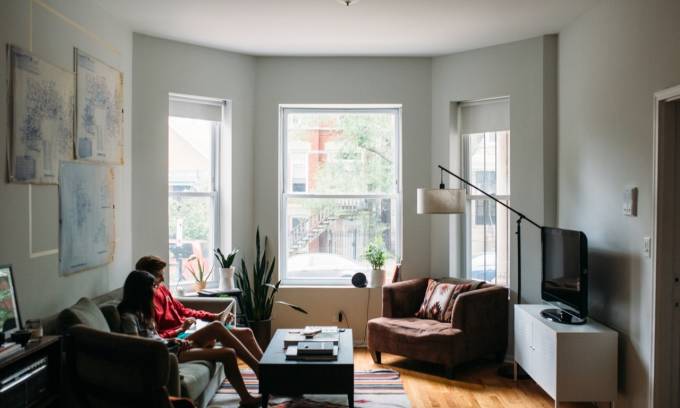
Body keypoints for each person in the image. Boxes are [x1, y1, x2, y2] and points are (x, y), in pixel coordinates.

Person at [118, 270, 261, 406]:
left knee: (217, 326)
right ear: (141, 291)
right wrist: (172, 341)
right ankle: (246, 397)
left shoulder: (143, 313)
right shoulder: (129, 317)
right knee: (229, 353)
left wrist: (174, 340)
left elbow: (156, 337)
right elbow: (137, 346)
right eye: (153, 286)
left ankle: (260, 369)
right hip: (170, 352)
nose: (156, 290)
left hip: (173, 345)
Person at [135, 256, 263, 376]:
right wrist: (180, 329)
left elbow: (183, 310)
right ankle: (263, 373)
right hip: (178, 336)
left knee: (247, 332)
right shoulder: (146, 301)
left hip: (187, 330)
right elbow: (156, 337)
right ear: (146, 276)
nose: (163, 279)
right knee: (217, 330)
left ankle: (268, 369)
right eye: (159, 275)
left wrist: (213, 316)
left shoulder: (162, 289)